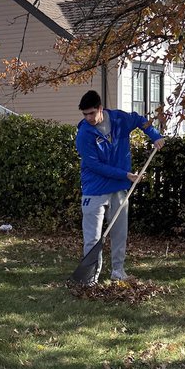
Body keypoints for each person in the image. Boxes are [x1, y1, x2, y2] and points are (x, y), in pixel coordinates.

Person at [76, 89, 164, 283]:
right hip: (95, 189)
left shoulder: (119, 119)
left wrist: (155, 135)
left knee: (119, 233)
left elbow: (140, 120)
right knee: (93, 238)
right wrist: (125, 175)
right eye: (85, 114)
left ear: (100, 108)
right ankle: (90, 278)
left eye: (91, 113)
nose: (88, 118)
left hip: (119, 188)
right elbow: (95, 166)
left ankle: (118, 271)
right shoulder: (84, 134)